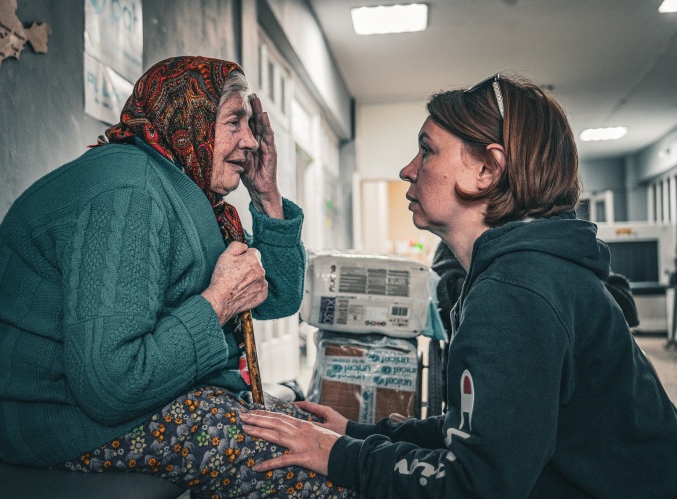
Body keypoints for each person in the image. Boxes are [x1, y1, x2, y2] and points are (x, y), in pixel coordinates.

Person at [240, 74, 677, 497]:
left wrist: (340, 455)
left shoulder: (517, 292)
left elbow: (476, 485)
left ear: (486, 170)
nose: (407, 170)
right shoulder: (519, 273)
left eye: (426, 151)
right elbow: (480, 427)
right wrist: (356, 432)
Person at [0, 56, 355, 497]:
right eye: (235, 121)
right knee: (320, 475)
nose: (251, 141)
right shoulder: (128, 193)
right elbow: (111, 383)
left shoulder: (184, 189)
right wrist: (218, 302)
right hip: (60, 420)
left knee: (328, 442)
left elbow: (277, 296)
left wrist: (267, 196)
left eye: (251, 125)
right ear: (185, 116)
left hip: (142, 398)